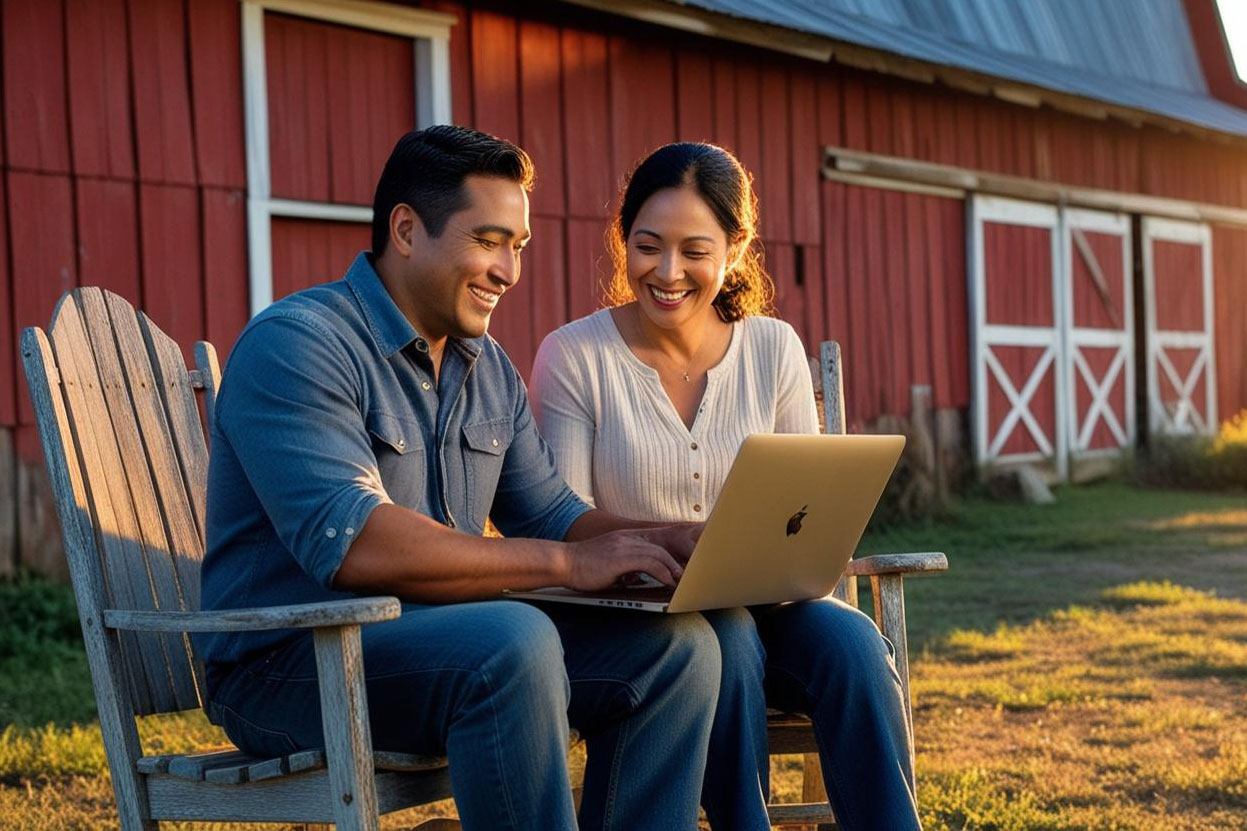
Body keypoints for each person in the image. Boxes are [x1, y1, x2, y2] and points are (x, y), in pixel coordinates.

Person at [196, 126, 723, 831]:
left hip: (436, 640)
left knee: (675, 648)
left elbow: (553, 514)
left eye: (518, 247)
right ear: (407, 230)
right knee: (512, 640)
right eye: (488, 240)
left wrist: (673, 540)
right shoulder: (299, 343)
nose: (508, 270)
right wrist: (568, 564)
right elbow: (358, 544)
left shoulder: (486, 367)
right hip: (292, 663)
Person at [529, 142, 921, 831]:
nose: (667, 272)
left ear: (735, 249)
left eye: (694, 250)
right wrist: (666, 549)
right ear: (623, 240)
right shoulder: (575, 356)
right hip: (642, 620)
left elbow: (807, 501)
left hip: (772, 600)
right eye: (647, 245)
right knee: (728, 634)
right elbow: (563, 515)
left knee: (855, 643)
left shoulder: (771, 349)